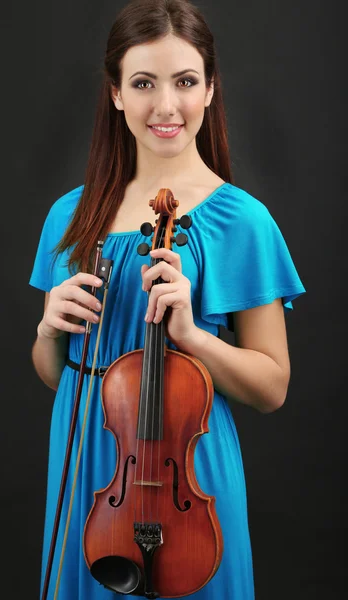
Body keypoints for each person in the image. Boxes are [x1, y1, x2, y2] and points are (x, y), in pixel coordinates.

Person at [29, 0, 306, 598]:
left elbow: (272, 386)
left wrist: (193, 337)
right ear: (116, 94)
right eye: (143, 83)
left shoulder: (243, 221)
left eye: (184, 81)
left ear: (209, 90)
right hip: (89, 469)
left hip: (186, 476)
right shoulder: (69, 216)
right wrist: (49, 333)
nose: (165, 106)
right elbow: (61, 377)